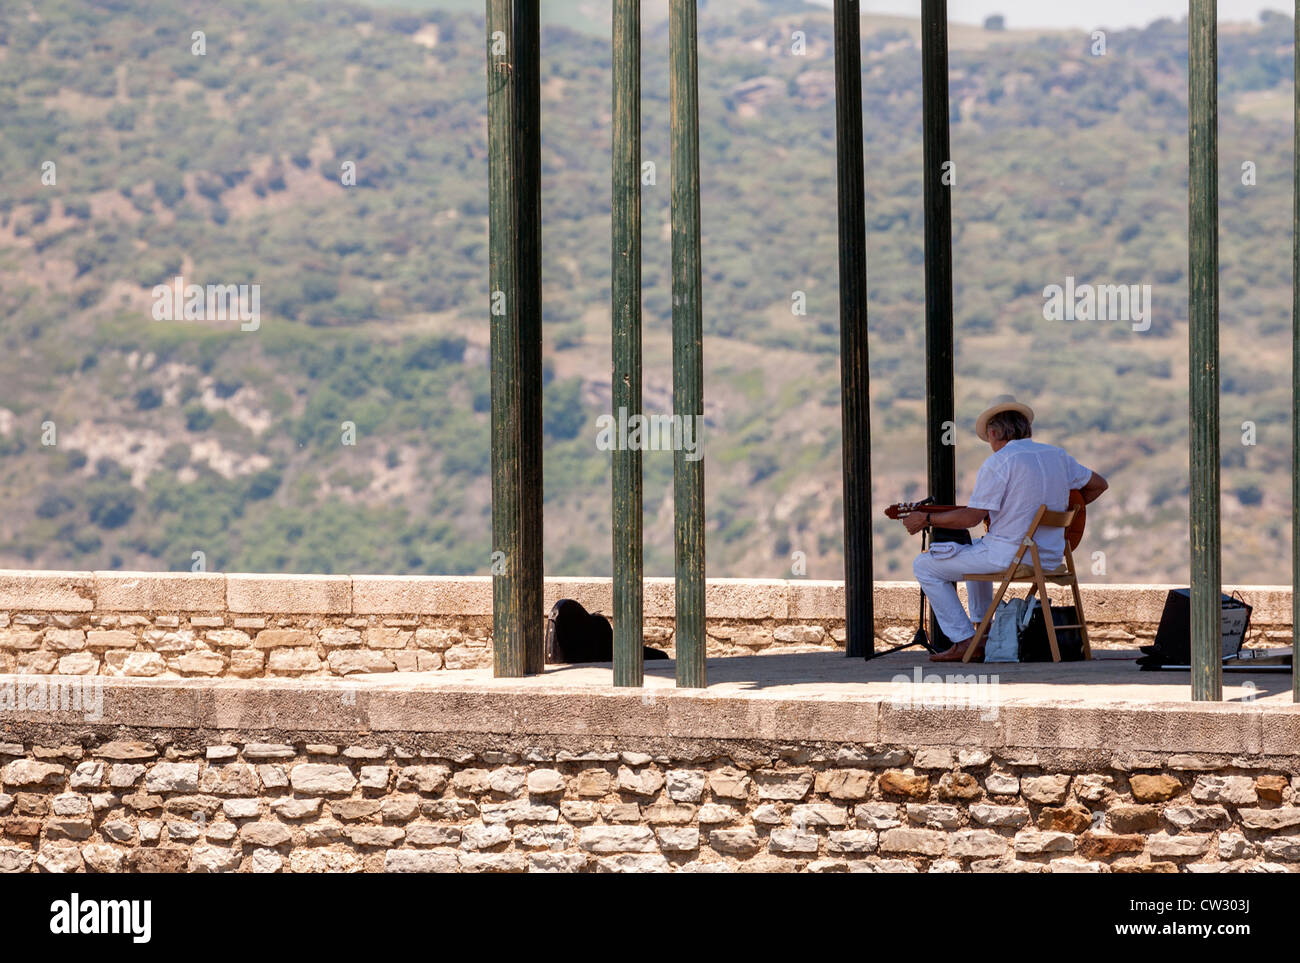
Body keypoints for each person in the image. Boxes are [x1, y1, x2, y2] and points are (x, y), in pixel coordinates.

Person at [902, 395, 1108, 663]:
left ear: (994, 432)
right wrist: (1072, 509)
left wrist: (926, 519)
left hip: (1010, 555)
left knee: (925, 565)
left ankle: (965, 641)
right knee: (973, 552)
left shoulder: (1000, 462)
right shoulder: (1057, 456)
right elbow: (1099, 484)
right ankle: (983, 633)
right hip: (1050, 557)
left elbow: (971, 518)